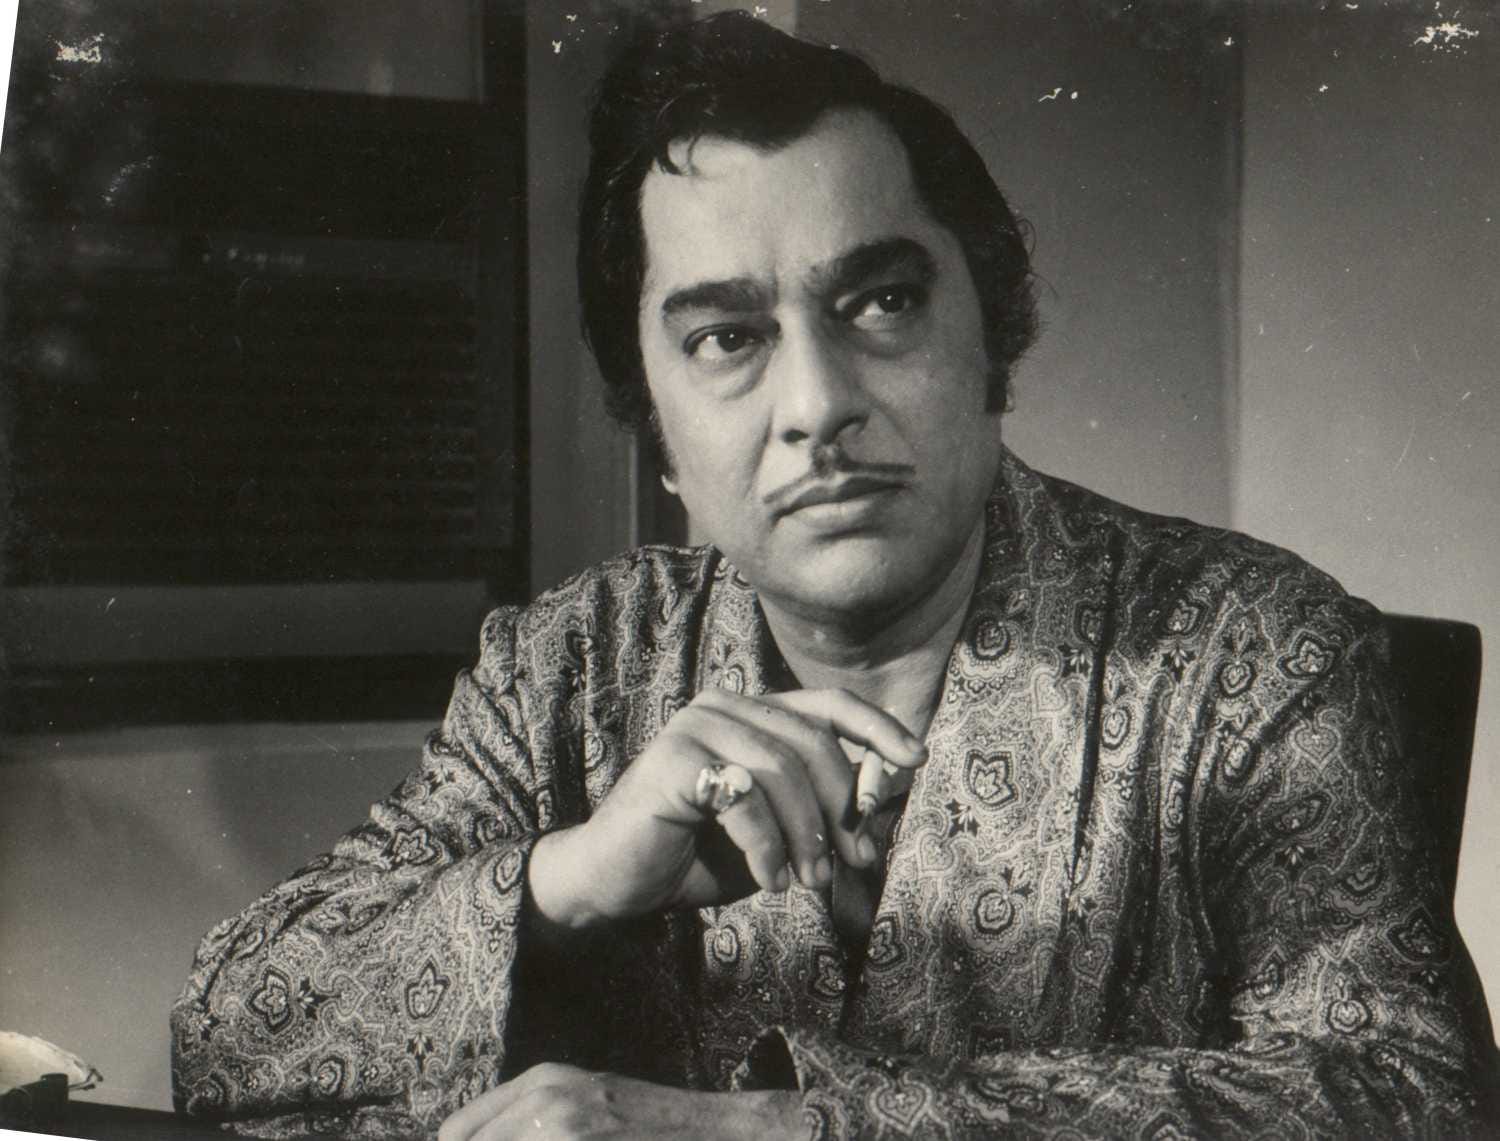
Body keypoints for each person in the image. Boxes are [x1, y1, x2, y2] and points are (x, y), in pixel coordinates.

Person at [171, 12, 1497, 1139]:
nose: (815, 404)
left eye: (881, 303)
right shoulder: (561, 670)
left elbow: (1410, 1093)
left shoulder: (1253, 651)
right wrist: (567, 881)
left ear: (992, 340)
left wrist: (773, 1130)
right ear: (655, 428)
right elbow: (223, 1036)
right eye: (728, 336)